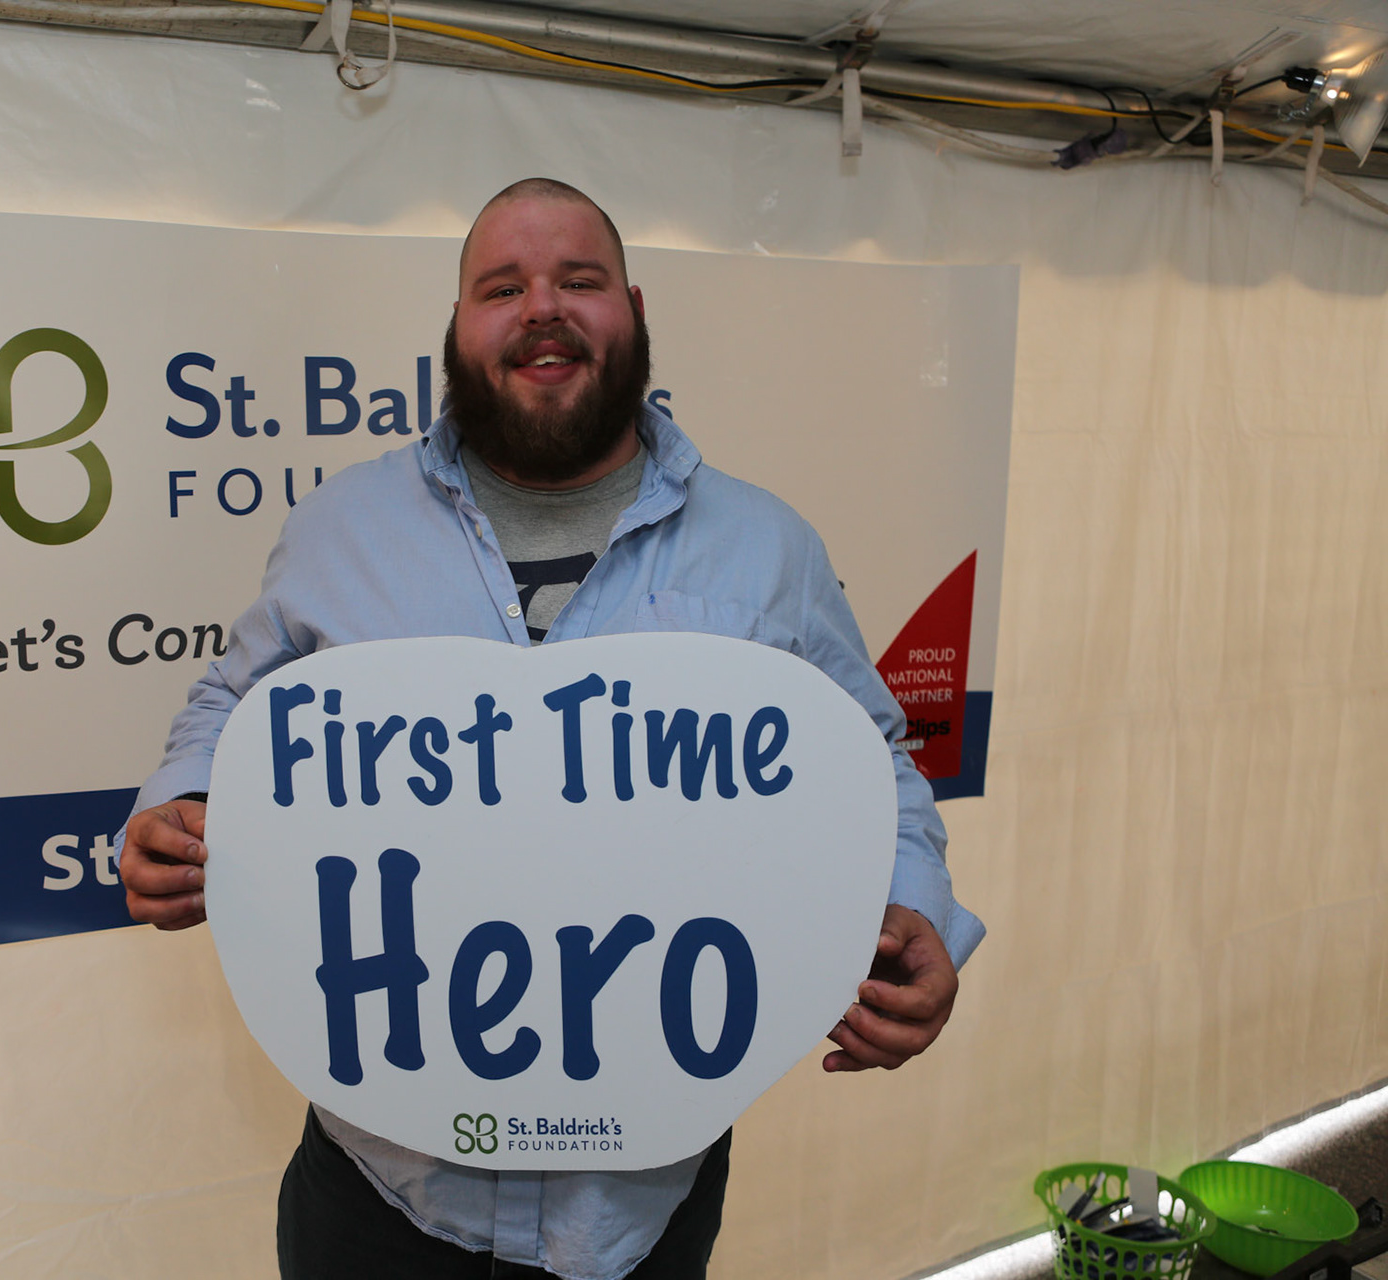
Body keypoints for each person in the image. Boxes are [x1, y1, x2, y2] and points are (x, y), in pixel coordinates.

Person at [115, 178, 985, 1280]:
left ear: (633, 308)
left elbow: (871, 759)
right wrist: (180, 801)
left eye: (579, 280)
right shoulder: (340, 527)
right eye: (502, 288)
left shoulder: (769, 548)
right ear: (456, 327)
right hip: (379, 1189)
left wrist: (913, 905)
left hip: (640, 1203)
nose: (542, 308)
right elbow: (232, 703)